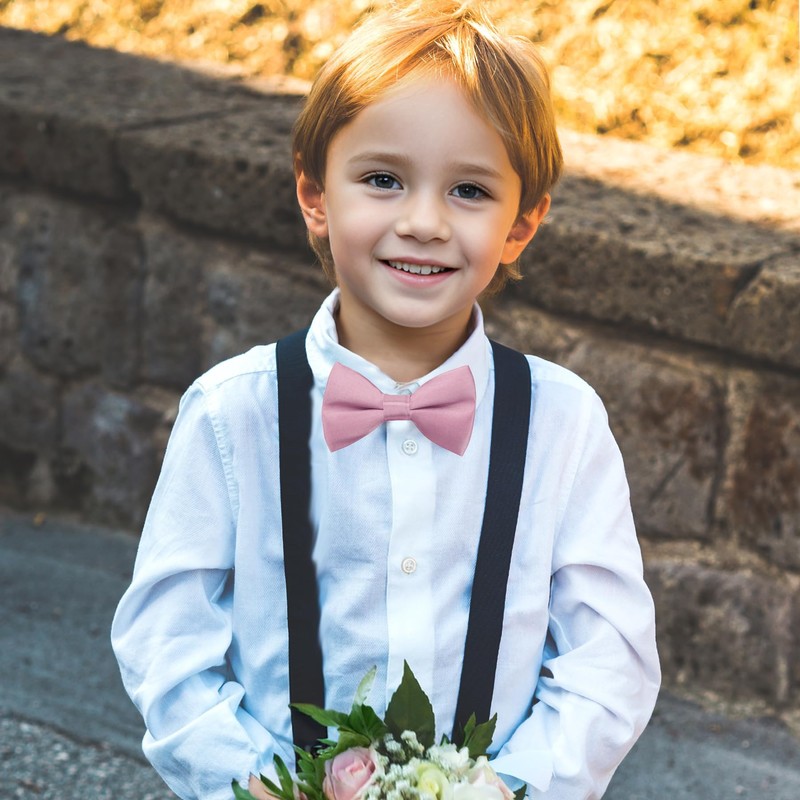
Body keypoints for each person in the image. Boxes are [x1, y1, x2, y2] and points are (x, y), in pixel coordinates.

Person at [111, 2, 660, 799]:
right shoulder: (233, 414)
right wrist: (257, 785)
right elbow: (167, 640)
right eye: (382, 180)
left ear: (522, 226)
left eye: (469, 190)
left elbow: (609, 656)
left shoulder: (562, 422)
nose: (424, 221)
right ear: (315, 195)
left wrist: (510, 787)